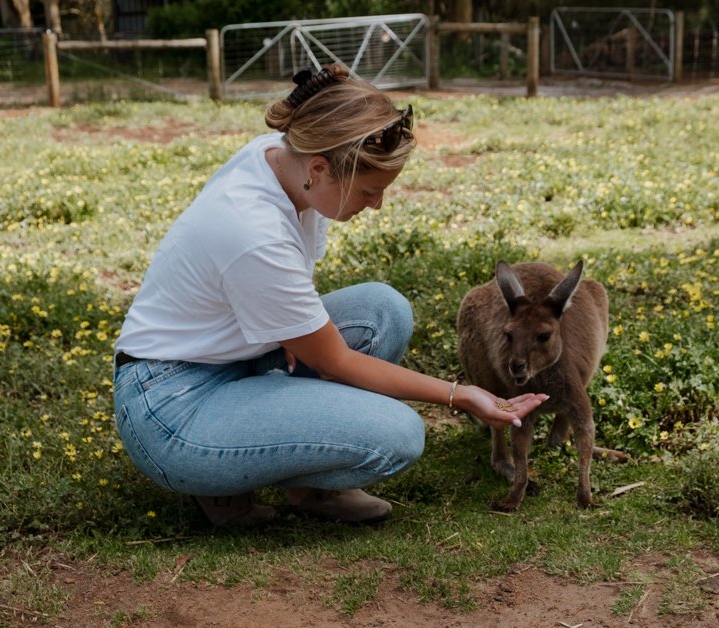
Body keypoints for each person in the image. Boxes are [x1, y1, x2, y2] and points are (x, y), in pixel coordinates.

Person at [112, 65, 547, 527]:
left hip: (228, 358)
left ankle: (311, 488)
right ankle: (217, 482)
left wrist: (292, 333)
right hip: (172, 406)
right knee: (397, 435)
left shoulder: (286, 161)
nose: (376, 204)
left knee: (383, 311)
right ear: (319, 170)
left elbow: (295, 289)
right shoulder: (253, 228)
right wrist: (462, 395)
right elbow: (337, 361)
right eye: (369, 190)